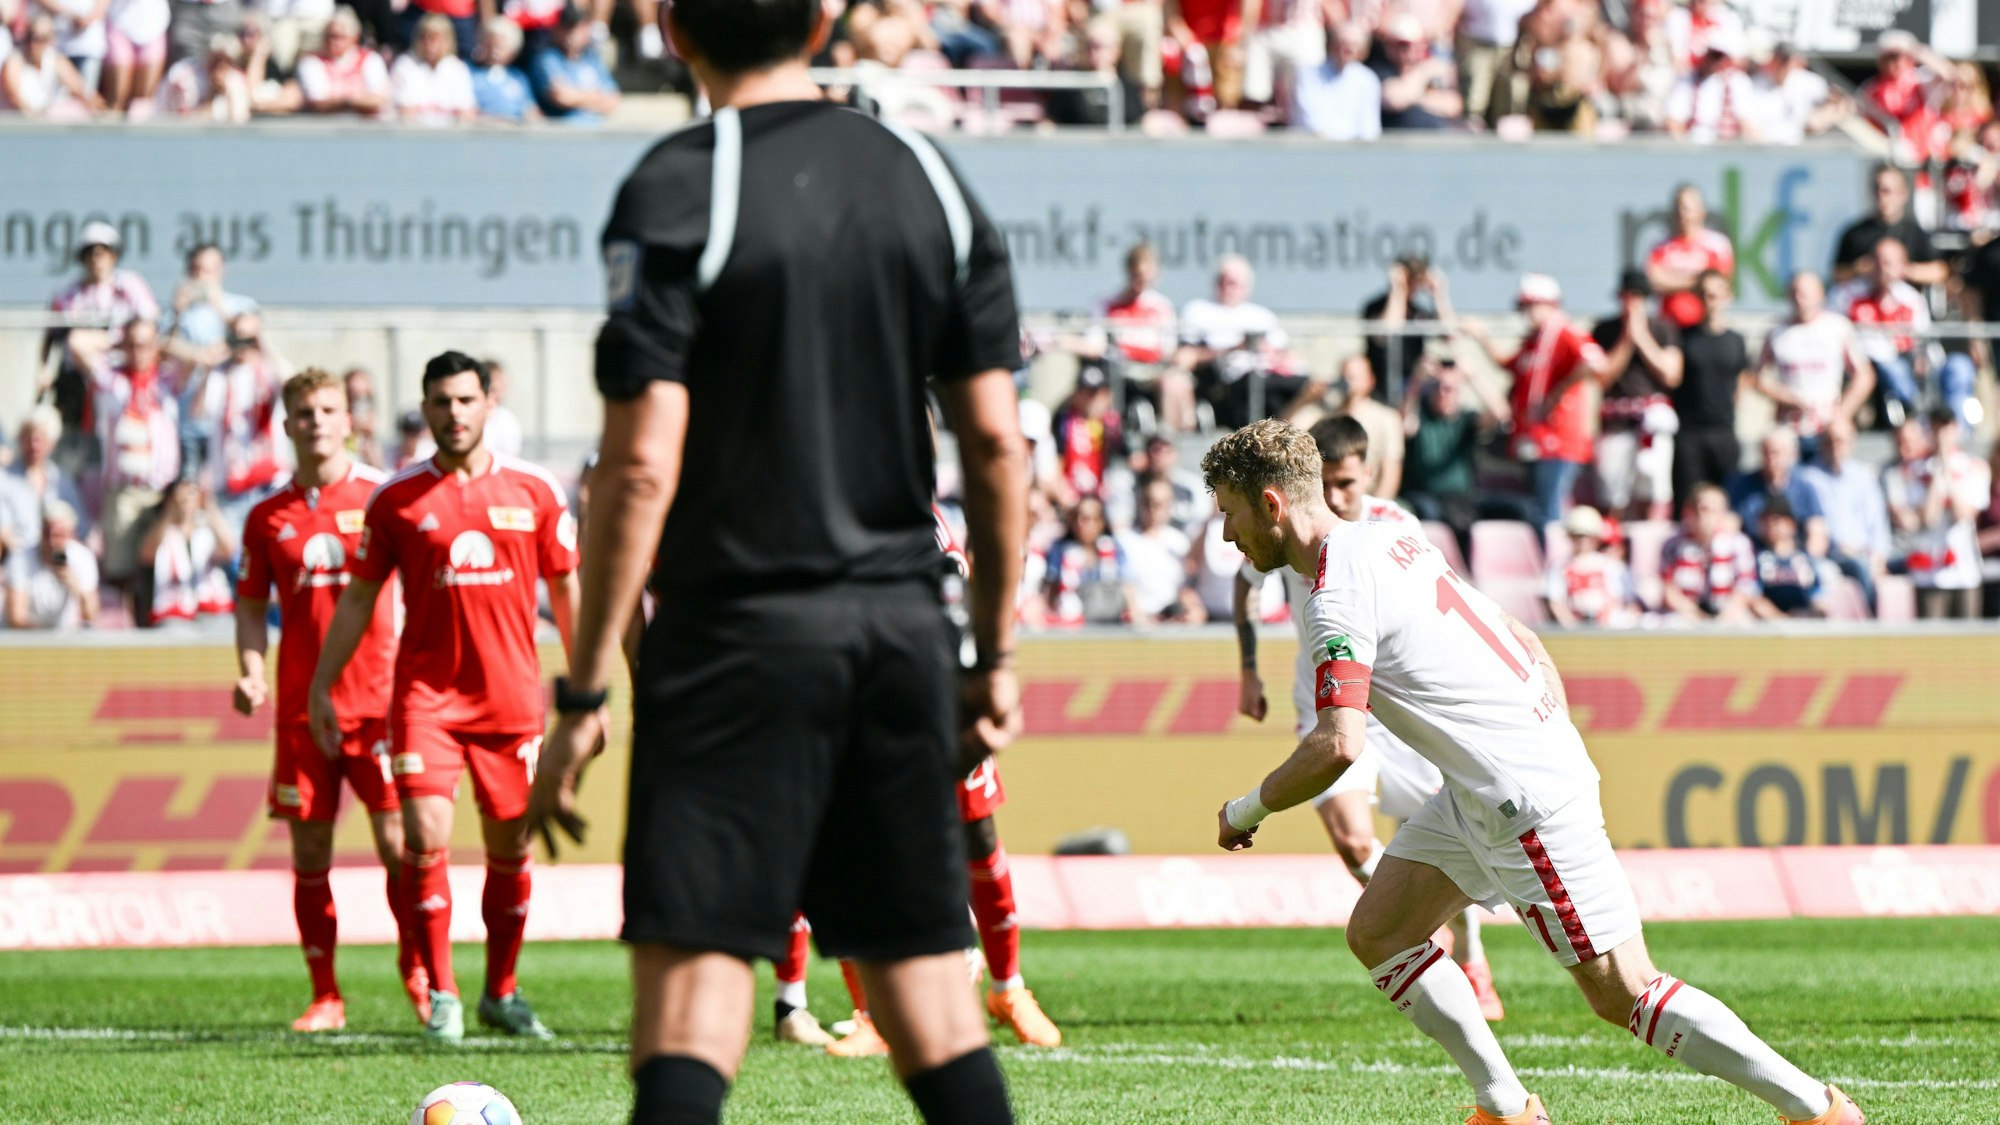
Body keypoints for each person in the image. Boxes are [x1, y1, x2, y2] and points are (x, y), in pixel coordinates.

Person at [526, 1, 1029, 1121]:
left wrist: (584, 690)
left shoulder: (675, 184)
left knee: (691, 1010)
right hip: (899, 631)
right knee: (933, 1011)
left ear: (669, 30)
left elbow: (638, 469)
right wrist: (991, 655)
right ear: (815, 22)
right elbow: (996, 442)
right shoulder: (927, 176)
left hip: (732, 636)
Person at [1203, 418, 1861, 1125]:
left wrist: (1246, 810)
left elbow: (1337, 743)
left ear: (1271, 504)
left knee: (1625, 992)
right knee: (1380, 931)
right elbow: (1523, 635)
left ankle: (1817, 1111)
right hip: (1486, 787)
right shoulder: (1392, 536)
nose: (1226, 536)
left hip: (1521, 795)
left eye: (1229, 513)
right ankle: (1508, 1108)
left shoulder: (1336, 590)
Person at [309, 350, 580, 1043]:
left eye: (465, 400)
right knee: (424, 838)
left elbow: (569, 592)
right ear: (425, 409)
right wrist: (321, 682)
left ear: (489, 403)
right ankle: (444, 995)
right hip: (426, 699)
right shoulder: (397, 499)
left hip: (511, 702)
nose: (454, 414)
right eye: (441, 402)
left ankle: (503, 990)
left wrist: (589, 692)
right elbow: (358, 600)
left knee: (509, 850)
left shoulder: (535, 491)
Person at [1232, 416, 1507, 1022]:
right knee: (1354, 836)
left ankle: (1473, 958)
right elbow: (1243, 584)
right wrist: (1249, 670)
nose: (1335, 499)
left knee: (1446, 836)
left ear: (1371, 473)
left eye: (1348, 484)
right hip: (1329, 705)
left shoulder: (1395, 528)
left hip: (1400, 709)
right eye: (1325, 484)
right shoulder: (1298, 528)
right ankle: (1421, 932)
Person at [825, 507, 1062, 1057]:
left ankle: (1007, 990)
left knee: (977, 835)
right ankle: (870, 1016)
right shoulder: (821, 500)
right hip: (852, 693)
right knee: (850, 845)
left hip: (936, 693)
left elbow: (961, 598)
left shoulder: (919, 516)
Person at [232, 369, 420, 1032]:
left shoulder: (383, 497)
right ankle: (326, 994)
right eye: (303, 412)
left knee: (401, 843)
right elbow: (251, 607)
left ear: (349, 420)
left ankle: (418, 967)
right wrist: (253, 669)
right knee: (311, 851)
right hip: (300, 710)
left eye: (328, 409)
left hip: (381, 702)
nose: (316, 421)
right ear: (286, 426)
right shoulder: (265, 517)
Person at [1460, 273, 1610, 529]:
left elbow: (1595, 363)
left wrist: (1558, 392)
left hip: (1558, 440)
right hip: (1536, 440)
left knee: (1547, 512)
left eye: (1531, 305)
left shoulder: (1564, 333)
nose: (1526, 313)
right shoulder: (1535, 340)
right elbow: (1509, 364)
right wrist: (1482, 337)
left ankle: (1553, 563)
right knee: (1538, 510)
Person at [1589, 270, 1682, 522]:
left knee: (1652, 492)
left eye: (1638, 296)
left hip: (1651, 425)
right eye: (1628, 296)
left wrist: (1642, 337)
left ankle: (1649, 546)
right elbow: (1601, 377)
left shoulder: (1663, 328)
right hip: (1616, 423)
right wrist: (1626, 340)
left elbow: (1671, 374)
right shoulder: (1604, 329)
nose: (1632, 302)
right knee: (1611, 493)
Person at [1755, 271, 1873, 462]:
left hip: (1826, 427)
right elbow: (1757, 377)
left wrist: (1842, 414)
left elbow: (1864, 376)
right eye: (1795, 293)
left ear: (1820, 295)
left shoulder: (1837, 327)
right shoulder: (1777, 331)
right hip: (1790, 427)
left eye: (1806, 293)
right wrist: (1785, 396)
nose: (1800, 299)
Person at [1886, 411, 1990, 618]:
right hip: (1928, 573)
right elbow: (1928, 518)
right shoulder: (1912, 470)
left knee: (1968, 643)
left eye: (1946, 427)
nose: (1941, 434)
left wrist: (1947, 468)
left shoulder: (1974, 467)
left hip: (1964, 571)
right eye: (1935, 428)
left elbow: (1964, 514)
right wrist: (1938, 468)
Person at [1176, 255, 1299, 429]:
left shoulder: (1262, 316)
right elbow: (1185, 357)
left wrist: (1269, 352)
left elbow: (1285, 353)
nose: (1227, 287)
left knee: (1302, 385)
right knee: (1253, 385)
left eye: (1233, 283)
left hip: (1269, 376)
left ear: (1246, 287)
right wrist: (1235, 347)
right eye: (1222, 281)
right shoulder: (1198, 311)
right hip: (1229, 383)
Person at [1668, 270, 1751, 508]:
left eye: (1715, 294)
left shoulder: (1736, 340)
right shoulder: (1683, 337)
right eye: (1704, 294)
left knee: (1729, 501)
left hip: (1724, 430)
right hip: (1689, 433)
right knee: (1688, 503)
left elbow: (1742, 378)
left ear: (1727, 296)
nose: (1709, 300)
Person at [1836, 237, 1938, 430]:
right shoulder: (1847, 295)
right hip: (1858, 361)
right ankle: (1913, 416)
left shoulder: (1911, 300)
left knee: (1896, 368)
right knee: (1885, 367)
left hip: (1900, 359)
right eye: (1877, 261)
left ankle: (1913, 417)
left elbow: (1922, 341)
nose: (1882, 268)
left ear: (1902, 266)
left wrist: (1920, 360)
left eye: (1888, 263)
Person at [1801, 417, 1891, 609]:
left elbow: (1877, 523)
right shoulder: (1809, 478)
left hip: (1864, 552)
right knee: (1857, 567)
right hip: (1830, 553)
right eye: (1830, 440)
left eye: (1840, 440)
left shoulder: (1864, 477)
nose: (1835, 446)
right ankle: (1869, 627)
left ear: (1851, 442)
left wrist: (1878, 555)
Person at [138, 477, 236, 626]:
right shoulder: (162, 532)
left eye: (192, 495)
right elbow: (147, 554)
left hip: (213, 610)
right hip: (173, 615)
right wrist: (169, 511)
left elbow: (229, 549)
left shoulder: (206, 531)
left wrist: (209, 506)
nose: (187, 501)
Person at [1661, 481, 1761, 622]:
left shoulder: (1738, 543)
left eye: (1714, 510)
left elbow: (1746, 586)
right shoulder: (1673, 544)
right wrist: (1695, 615)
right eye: (1702, 509)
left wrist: (1723, 618)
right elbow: (1669, 589)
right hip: (1686, 613)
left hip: (1728, 612)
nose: (1706, 517)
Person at [1832, 164, 1945, 286]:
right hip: (1865, 301)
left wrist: (1903, 270)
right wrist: (1860, 269)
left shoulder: (1915, 233)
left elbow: (1940, 271)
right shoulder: (1855, 234)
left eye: (1887, 191)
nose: (1882, 197)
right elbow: (1836, 274)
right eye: (1877, 190)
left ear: (1903, 194)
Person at [1361, 255, 1453, 402]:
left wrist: (1439, 294)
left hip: (1414, 386)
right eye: (1410, 279)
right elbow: (1388, 332)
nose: (1413, 285)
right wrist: (1398, 289)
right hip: (1382, 385)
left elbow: (1449, 335)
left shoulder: (1419, 311)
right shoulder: (1375, 307)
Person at [1116, 476, 1205, 623]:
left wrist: (1192, 609)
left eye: (1159, 504)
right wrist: (1140, 617)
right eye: (1148, 502)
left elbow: (1186, 586)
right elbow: (1124, 586)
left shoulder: (1179, 541)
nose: (1152, 509)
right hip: (1137, 623)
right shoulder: (1125, 540)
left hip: (1173, 620)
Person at [1646, 185, 1734, 331]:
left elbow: (1718, 283)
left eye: (1686, 208)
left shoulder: (1717, 244)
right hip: (1670, 327)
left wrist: (1673, 279)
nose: (1682, 214)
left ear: (1701, 212)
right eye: (1678, 208)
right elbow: (1654, 281)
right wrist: (1697, 280)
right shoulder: (1660, 246)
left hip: (1705, 329)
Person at [4, 499, 99, 629]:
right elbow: (16, 618)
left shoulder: (83, 558)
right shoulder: (21, 558)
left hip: (63, 641)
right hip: (26, 641)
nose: (52, 542)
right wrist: (46, 640)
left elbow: (91, 615)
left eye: (59, 535)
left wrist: (76, 588)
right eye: (47, 533)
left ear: (71, 535)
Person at [1542, 505, 1636, 627]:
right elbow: (1556, 603)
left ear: (1595, 537)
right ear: (1569, 536)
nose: (1582, 540)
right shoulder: (1559, 568)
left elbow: (1618, 601)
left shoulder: (1611, 566)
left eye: (1586, 535)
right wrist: (1573, 629)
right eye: (1577, 535)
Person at [1726, 427, 1825, 544]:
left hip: (1795, 554)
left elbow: (1817, 531)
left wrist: (1809, 559)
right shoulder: (1742, 485)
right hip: (1754, 554)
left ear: (1792, 454)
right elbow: (1730, 524)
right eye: (1765, 452)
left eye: (1776, 453)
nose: (1770, 459)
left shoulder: (1804, 488)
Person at [1288, 20, 1380, 140]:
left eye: (1354, 45)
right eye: (1341, 43)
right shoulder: (1307, 74)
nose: (1347, 49)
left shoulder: (1368, 80)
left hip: (1353, 152)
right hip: (1312, 149)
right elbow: (1308, 120)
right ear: (1331, 45)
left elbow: (1369, 128)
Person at [293, 6, 390, 118]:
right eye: (328, 35)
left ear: (354, 38)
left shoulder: (371, 59)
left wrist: (346, 103)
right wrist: (352, 102)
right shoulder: (311, 61)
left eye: (338, 37)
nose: (332, 41)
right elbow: (318, 103)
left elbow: (378, 101)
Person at [528, 3, 618, 122]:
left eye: (576, 27)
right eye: (566, 27)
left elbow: (613, 100)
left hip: (595, 131)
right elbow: (561, 97)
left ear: (586, 28)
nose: (571, 34)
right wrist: (597, 96)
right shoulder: (546, 58)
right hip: (563, 132)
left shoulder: (592, 58)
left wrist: (575, 96)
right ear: (556, 29)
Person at [1373, 11, 1462, 130]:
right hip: (1397, 141)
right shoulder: (1380, 69)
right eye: (1398, 44)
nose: (1404, 50)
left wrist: (1411, 96)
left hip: (1434, 140)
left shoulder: (1436, 68)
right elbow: (1393, 100)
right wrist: (1423, 75)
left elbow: (1453, 106)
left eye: (1407, 44)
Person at [1, 13, 103, 116]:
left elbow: (81, 90)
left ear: (51, 40)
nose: (33, 44)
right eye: (30, 37)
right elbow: (13, 95)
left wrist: (95, 106)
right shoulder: (14, 60)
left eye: (41, 38)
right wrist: (34, 118)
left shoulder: (55, 60)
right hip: (19, 123)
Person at [390, 12, 476, 125]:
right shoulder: (405, 65)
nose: (428, 44)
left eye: (434, 38)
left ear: (447, 40)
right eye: (423, 38)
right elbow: (403, 111)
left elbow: (467, 112)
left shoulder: (457, 68)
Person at [1752, 496, 1823, 617]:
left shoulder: (1804, 560)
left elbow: (1817, 598)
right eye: (1766, 520)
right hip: (1768, 623)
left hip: (1803, 621)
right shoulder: (1758, 558)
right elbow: (1754, 597)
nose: (1771, 525)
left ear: (1791, 524)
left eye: (1776, 520)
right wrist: (1780, 618)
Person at [470, 16, 539, 122]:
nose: (494, 51)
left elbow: (531, 111)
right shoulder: (471, 74)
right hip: (482, 132)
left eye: (500, 46)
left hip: (515, 134)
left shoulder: (518, 77)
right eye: (491, 44)